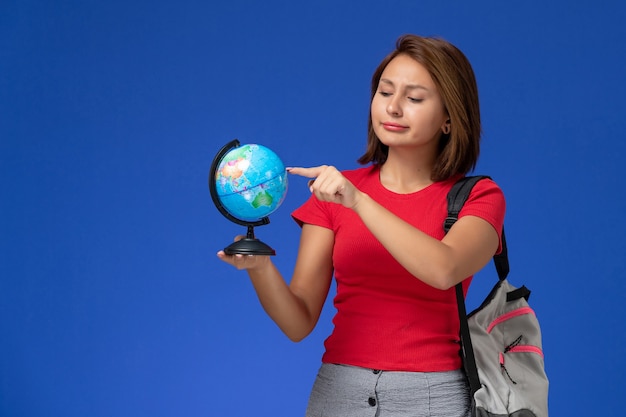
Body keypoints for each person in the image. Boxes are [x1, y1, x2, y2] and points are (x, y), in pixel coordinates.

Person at [217, 34, 505, 417]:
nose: (394, 108)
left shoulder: (479, 197)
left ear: (450, 118)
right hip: (338, 394)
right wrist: (260, 268)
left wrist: (359, 201)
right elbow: (299, 321)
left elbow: (444, 268)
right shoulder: (333, 197)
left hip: (432, 398)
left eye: (414, 98)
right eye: (385, 92)